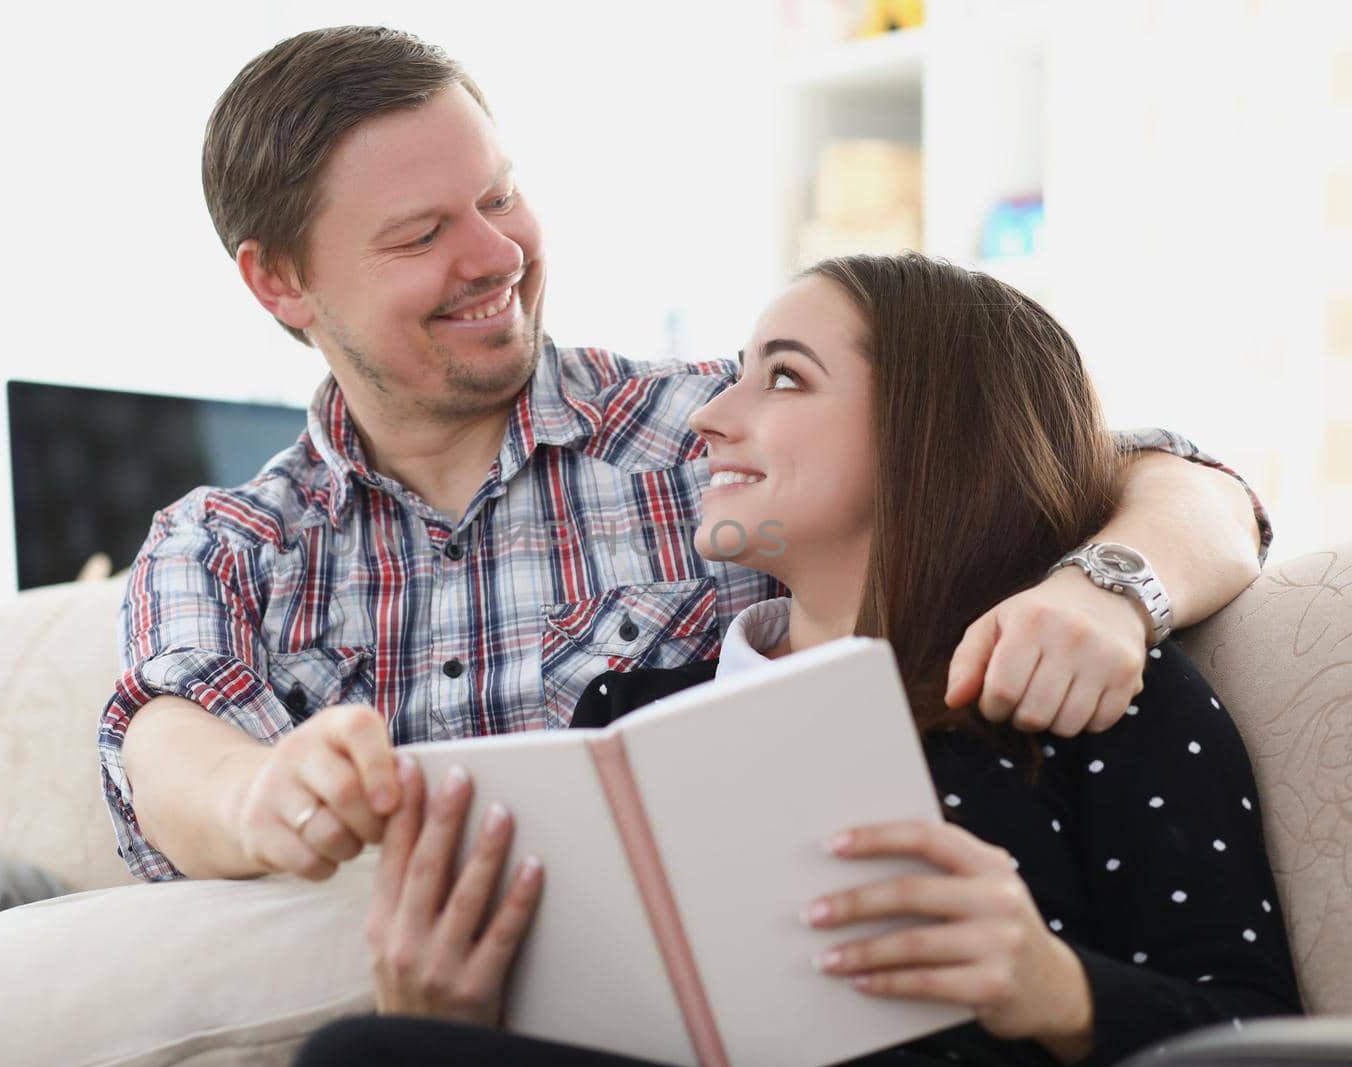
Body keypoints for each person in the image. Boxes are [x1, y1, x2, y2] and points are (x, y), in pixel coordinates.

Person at [99, 26, 1271, 887]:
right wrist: (263, 797)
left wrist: (1109, 588)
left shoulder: (717, 441)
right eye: (420, 235)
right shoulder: (229, 544)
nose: (495, 254)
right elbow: (164, 739)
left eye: (499, 196)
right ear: (279, 280)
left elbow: (1136, 469)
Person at [300, 254, 1303, 1067]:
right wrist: (457, 1017)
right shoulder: (630, 711)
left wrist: (1054, 987)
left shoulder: (1090, 687)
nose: (707, 417)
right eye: (737, 372)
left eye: (783, 377)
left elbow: (1253, 1033)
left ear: (935, 431)